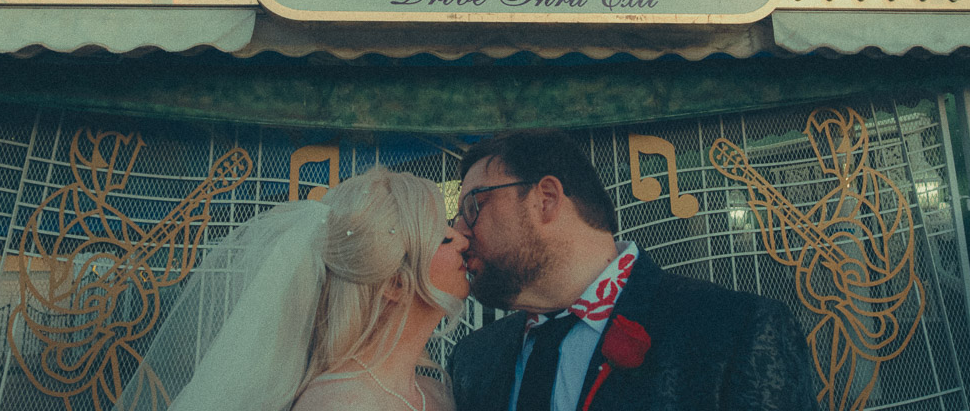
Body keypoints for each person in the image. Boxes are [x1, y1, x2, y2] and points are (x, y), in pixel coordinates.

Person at [448, 131, 817, 411]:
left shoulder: (733, 332)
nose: (459, 233)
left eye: (473, 206)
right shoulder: (474, 360)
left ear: (546, 199)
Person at [115, 165, 469, 411]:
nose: (464, 242)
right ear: (394, 283)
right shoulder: (337, 404)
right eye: (443, 237)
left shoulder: (437, 392)